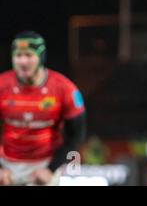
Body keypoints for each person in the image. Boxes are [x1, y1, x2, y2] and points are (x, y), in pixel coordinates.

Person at [0, 31, 86, 185]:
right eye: (18, 56)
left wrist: (51, 169)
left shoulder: (64, 88)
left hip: (44, 166)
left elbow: (76, 136)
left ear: (41, 57)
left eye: (29, 55)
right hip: (7, 166)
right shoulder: (2, 85)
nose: (23, 61)